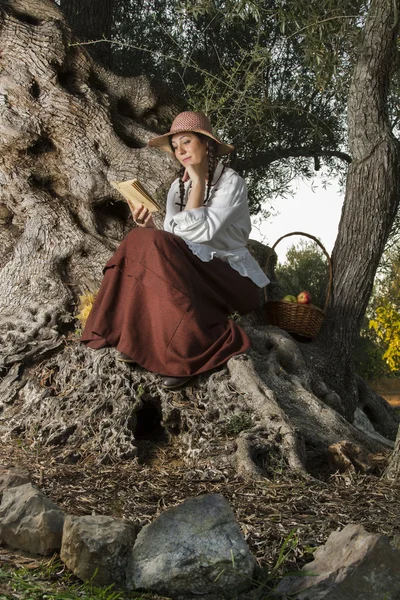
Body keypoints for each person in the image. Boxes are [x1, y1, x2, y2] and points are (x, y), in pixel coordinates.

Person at [81, 111, 269, 389]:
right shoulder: (175, 189)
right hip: (196, 273)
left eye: (186, 142)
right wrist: (149, 226)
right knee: (138, 240)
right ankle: (130, 335)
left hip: (234, 280)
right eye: (175, 146)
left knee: (151, 243)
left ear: (207, 144)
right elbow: (172, 243)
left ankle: (187, 352)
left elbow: (199, 232)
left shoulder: (231, 183)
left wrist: (199, 182)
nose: (180, 151)